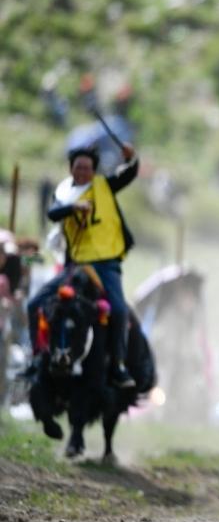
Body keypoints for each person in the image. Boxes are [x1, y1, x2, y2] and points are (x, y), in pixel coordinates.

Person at [26, 144, 139, 388]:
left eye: (87, 168)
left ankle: (118, 365)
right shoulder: (64, 193)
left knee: (119, 311)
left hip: (106, 264)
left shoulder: (105, 186)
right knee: (35, 304)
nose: (82, 172)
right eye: (78, 167)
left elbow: (129, 174)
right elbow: (53, 214)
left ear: (94, 171)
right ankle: (37, 358)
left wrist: (132, 159)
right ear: (71, 169)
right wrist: (74, 207)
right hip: (76, 265)